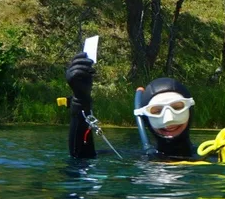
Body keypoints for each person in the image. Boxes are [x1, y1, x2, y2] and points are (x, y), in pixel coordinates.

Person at [65, 52, 197, 159]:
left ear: (190, 110)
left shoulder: (213, 154)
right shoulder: (133, 159)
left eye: (178, 107)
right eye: (156, 111)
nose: (169, 119)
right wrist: (80, 101)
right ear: (145, 118)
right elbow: (81, 159)